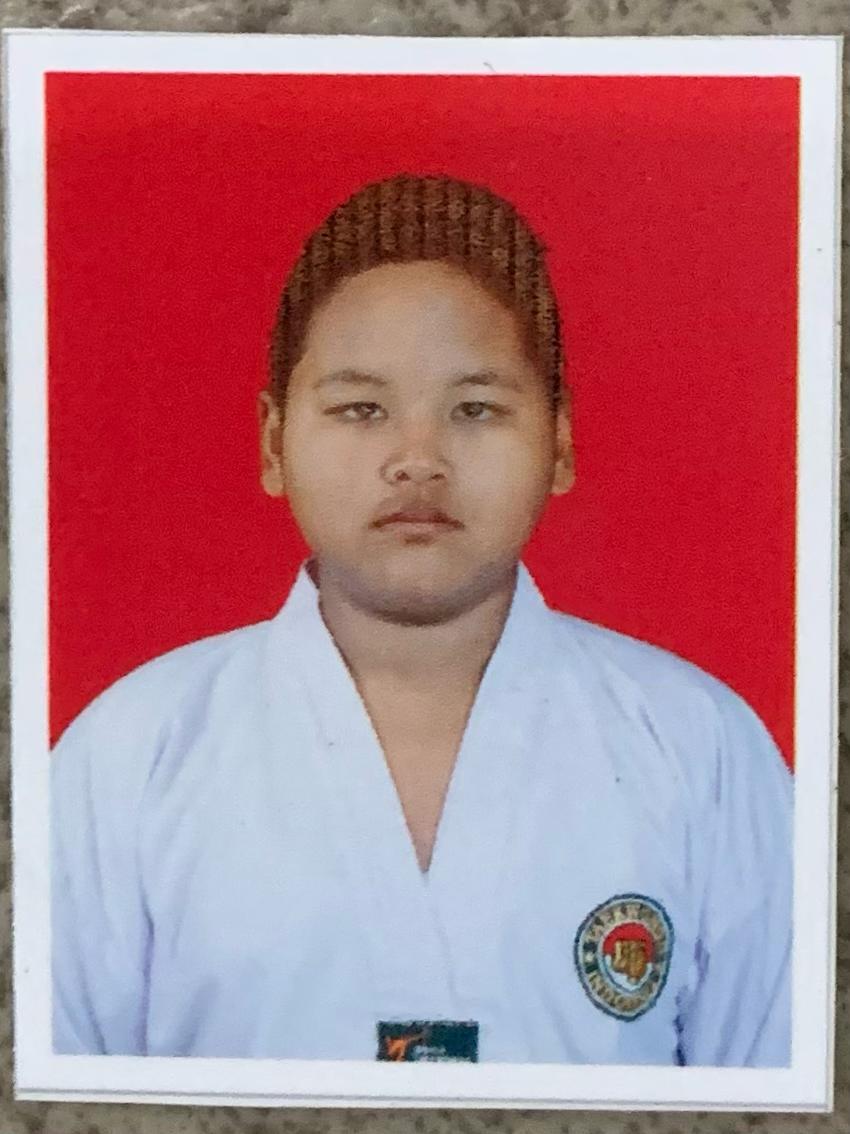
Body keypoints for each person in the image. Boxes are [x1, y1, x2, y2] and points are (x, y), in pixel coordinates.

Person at [51, 174, 792, 1066]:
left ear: (559, 443)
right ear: (273, 442)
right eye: (361, 409)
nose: (418, 460)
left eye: (475, 409)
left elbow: (782, 1097)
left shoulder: (698, 745)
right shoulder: (131, 753)